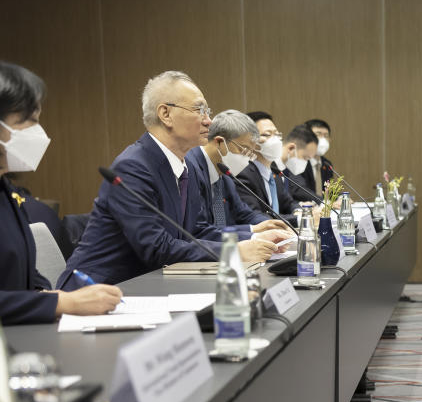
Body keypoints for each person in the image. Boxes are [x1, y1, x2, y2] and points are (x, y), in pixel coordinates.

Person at [59, 72, 278, 289]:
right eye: (199, 109)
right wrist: (235, 251)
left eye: (208, 111)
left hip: (152, 285)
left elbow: (196, 232)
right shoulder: (133, 167)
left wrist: (253, 237)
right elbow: (156, 248)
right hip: (98, 290)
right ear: (165, 114)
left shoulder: (187, 166)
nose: (208, 120)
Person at [0, 61, 121, 324]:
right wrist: (62, 302)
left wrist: (52, 295)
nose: (38, 133)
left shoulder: (7, 191)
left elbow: (26, 277)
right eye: (29, 122)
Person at [185, 110, 291, 239]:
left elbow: (244, 213)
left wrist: (268, 224)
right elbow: (200, 230)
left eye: (250, 152)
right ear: (219, 142)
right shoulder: (191, 168)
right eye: (243, 149)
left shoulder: (225, 175)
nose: (247, 158)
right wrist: (253, 236)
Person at [236, 111, 300, 223]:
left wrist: (298, 211)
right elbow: (256, 216)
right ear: (249, 140)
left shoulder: (274, 171)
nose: (275, 139)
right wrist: (300, 219)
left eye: (276, 134)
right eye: (267, 134)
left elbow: (289, 203)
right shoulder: (243, 174)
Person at [281, 124, 320, 202]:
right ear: (292, 148)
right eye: (306, 158)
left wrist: (298, 208)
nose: (305, 163)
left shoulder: (287, 169)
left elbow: (288, 202)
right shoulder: (271, 168)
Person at [304, 118, 334, 193]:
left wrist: (340, 198)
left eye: (326, 135)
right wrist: (322, 201)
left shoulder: (327, 164)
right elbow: (300, 190)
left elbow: (329, 191)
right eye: (318, 134)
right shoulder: (298, 162)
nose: (323, 139)